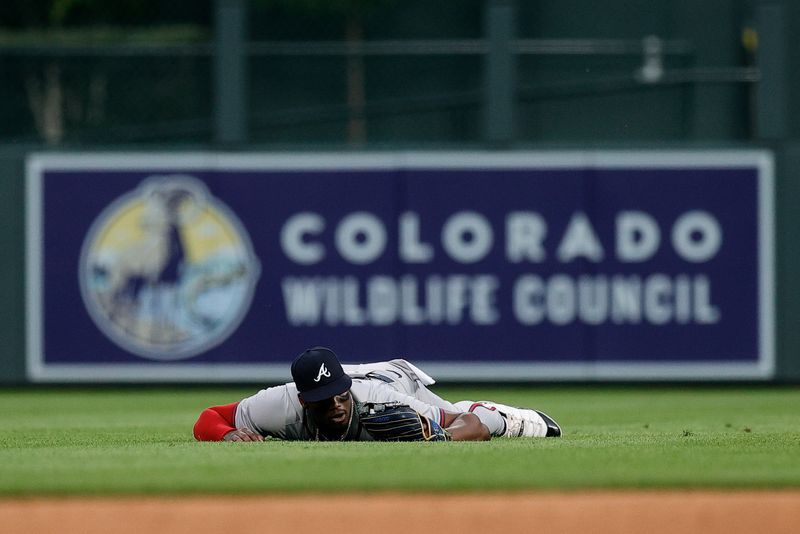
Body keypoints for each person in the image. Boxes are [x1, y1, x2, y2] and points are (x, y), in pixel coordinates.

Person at [193, 347, 561, 442]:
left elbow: (470, 426)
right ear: (305, 400)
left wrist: (441, 437)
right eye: (325, 399)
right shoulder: (280, 404)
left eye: (340, 395)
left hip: (393, 380)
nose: (337, 404)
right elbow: (209, 416)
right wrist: (228, 434)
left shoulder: (381, 401)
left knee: (481, 419)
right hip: (362, 379)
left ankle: (513, 416)